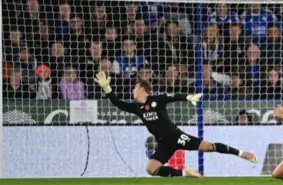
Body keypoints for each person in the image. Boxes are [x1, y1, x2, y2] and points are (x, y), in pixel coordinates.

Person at [94, 72, 258, 178]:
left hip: (176, 136)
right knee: (151, 169)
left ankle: (242, 153)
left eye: (135, 87)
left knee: (208, 146)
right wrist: (107, 88)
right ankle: (186, 173)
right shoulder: (137, 108)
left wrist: (188, 97)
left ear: (143, 89)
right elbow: (118, 104)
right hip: (164, 144)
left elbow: (172, 96)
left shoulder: (156, 100)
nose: (132, 90)